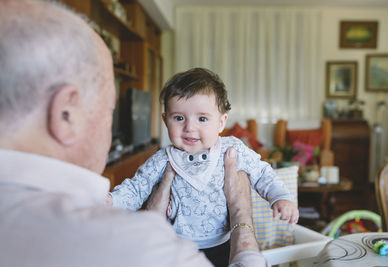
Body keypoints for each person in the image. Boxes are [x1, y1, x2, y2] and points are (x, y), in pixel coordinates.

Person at [0, 1, 267, 266]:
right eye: (109, 111)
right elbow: (135, 189)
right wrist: (242, 215)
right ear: (65, 115)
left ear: (221, 122)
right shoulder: (138, 246)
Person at [110, 68, 299, 266]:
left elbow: (262, 173)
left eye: (202, 119)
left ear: (221, 122)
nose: (190, 127)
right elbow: (136, 187)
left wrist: (280, 197)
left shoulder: (232, 149)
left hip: (224, 243)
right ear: (166, 121)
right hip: (178, 244)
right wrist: (112, 200)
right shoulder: (163, 159)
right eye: (179, 118)